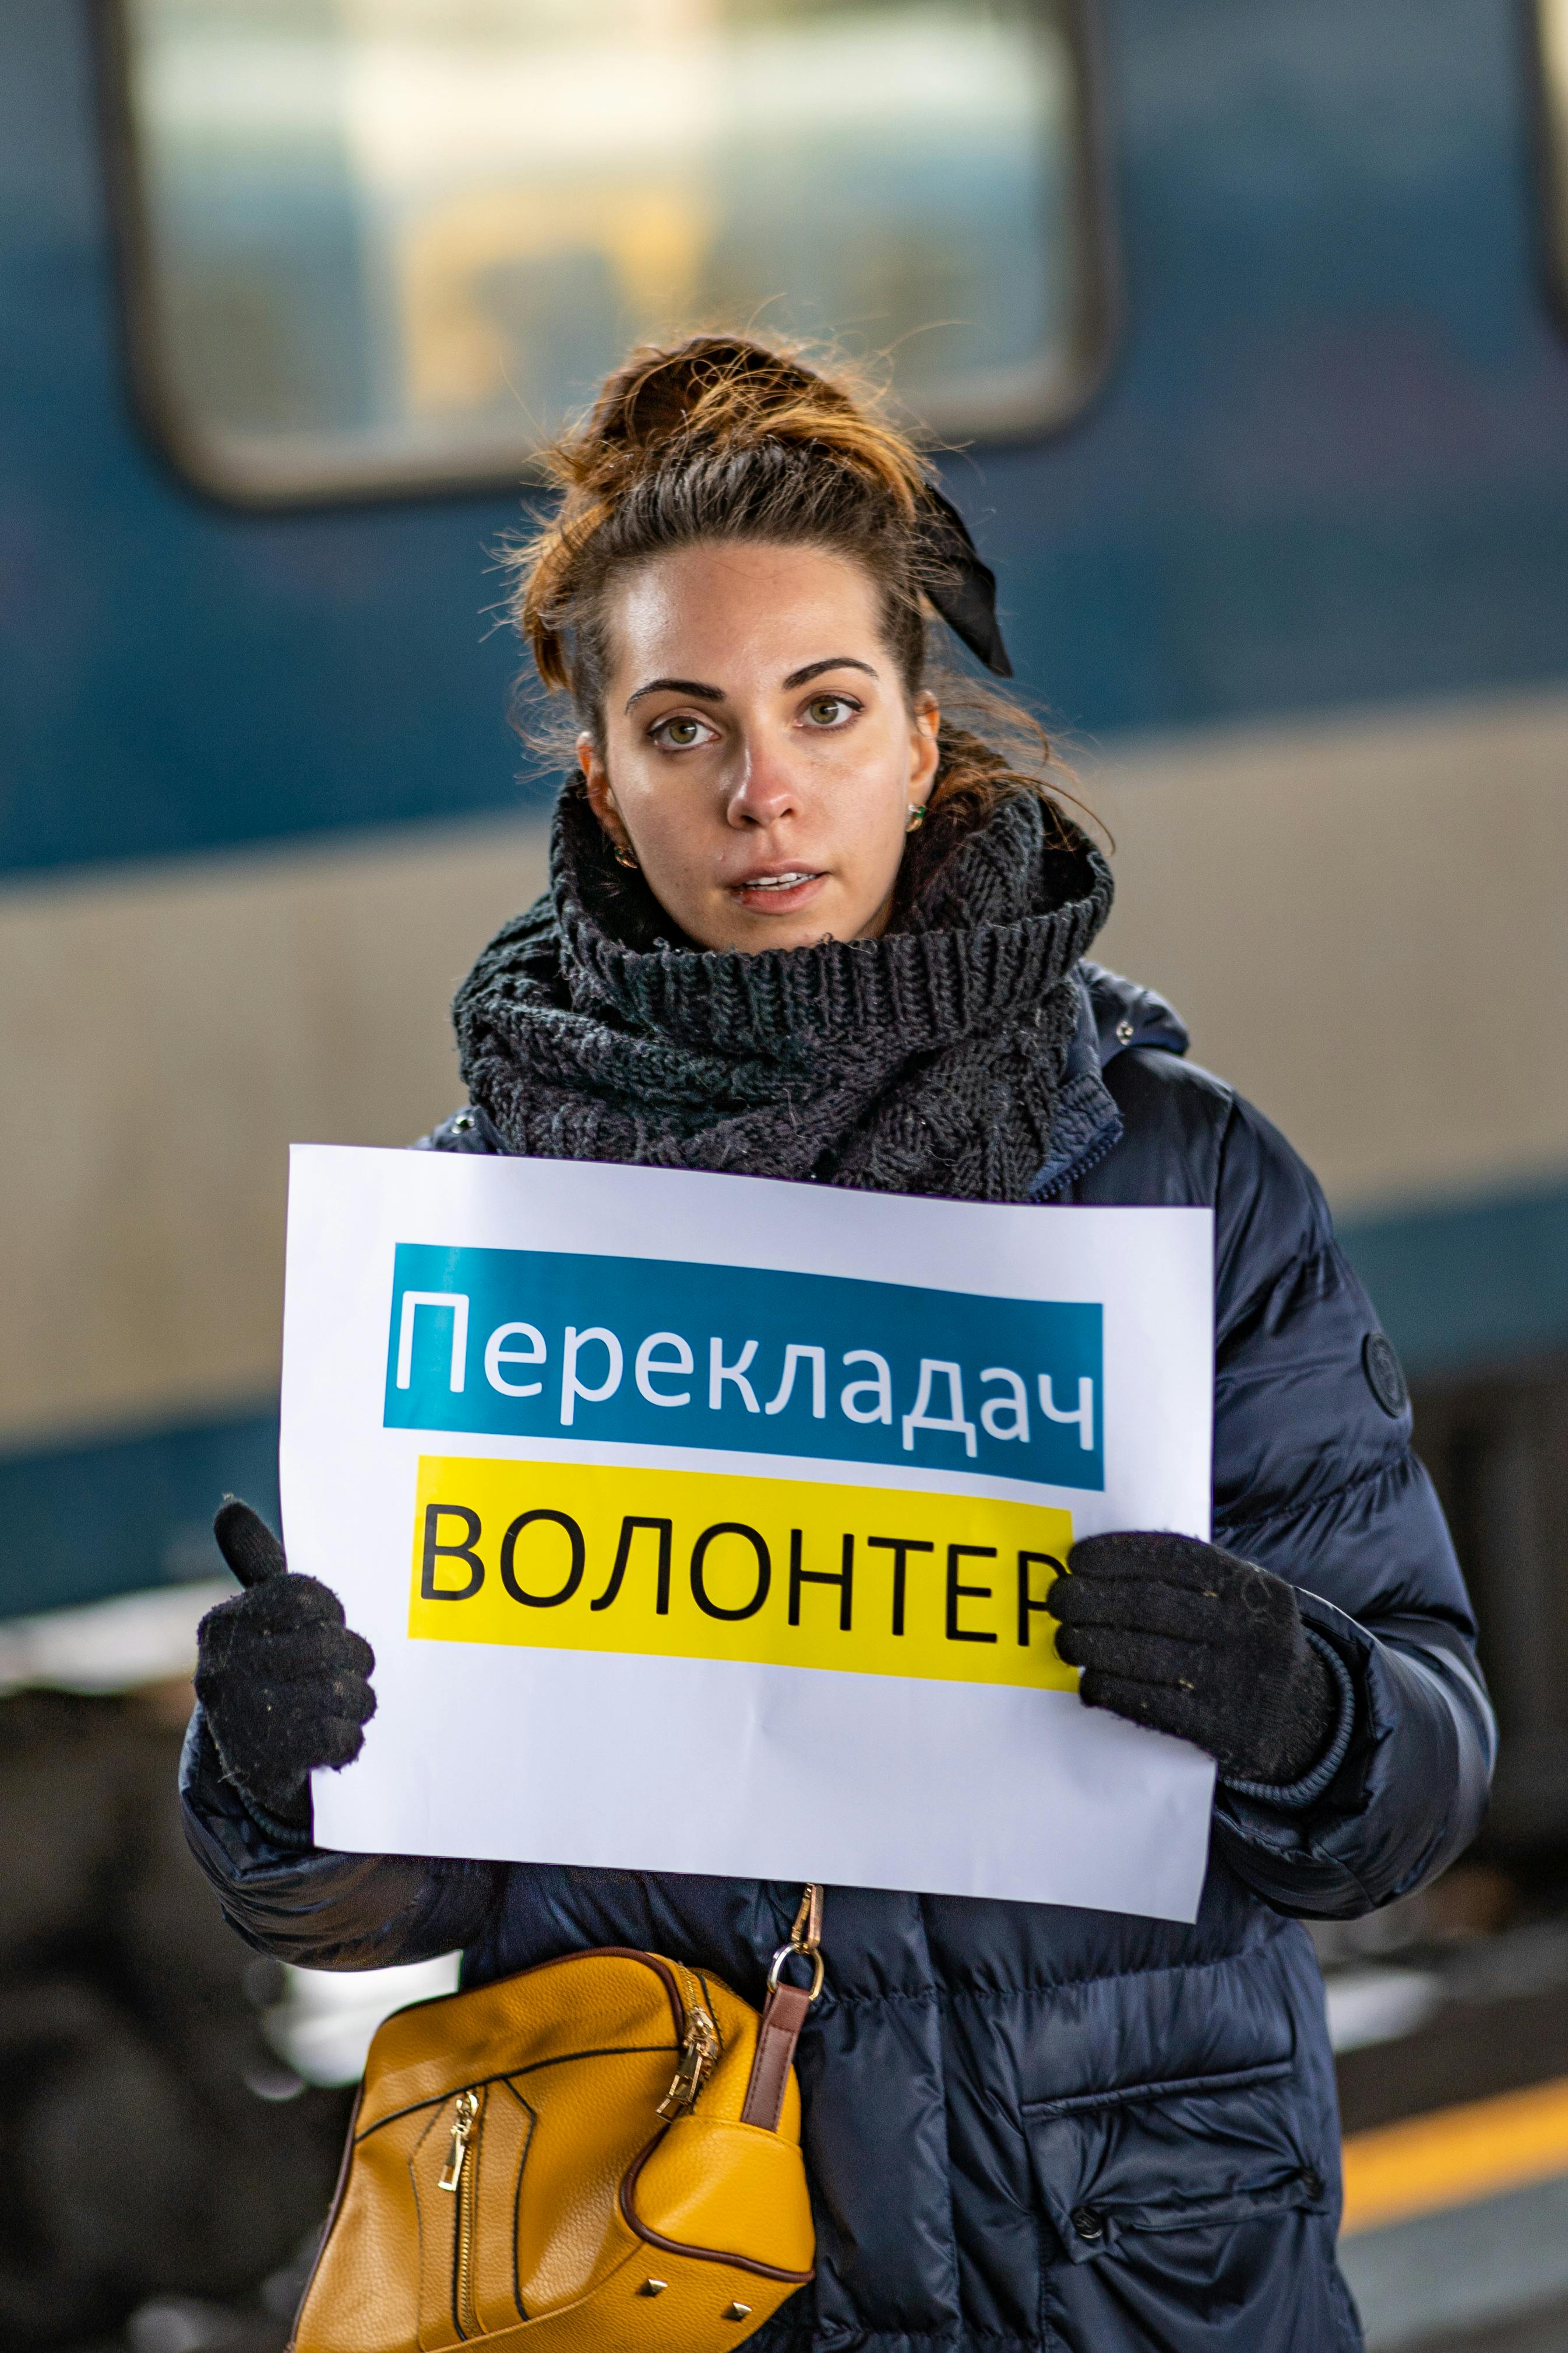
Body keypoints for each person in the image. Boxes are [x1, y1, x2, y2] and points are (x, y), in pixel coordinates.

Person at [182, 337, 1493, 2353]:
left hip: (1123, 2267)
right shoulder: (480, 1241)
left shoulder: (1176, 1179)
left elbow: (1413, 1782)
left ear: (913, 737)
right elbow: (370, 1905)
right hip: (684, 2273)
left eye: (821, 707)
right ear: (603, 774)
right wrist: (287, 1775)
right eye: (683, 725)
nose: (762, 787)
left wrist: (1297, 1697)